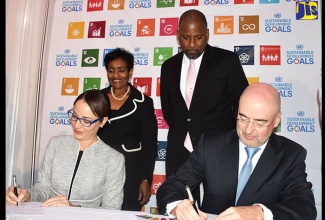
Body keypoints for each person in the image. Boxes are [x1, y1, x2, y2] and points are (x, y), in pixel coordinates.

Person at [156, 83, 317, 220]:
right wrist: (177, 207)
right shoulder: (211, 145)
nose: (248, 130)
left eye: (259, 123)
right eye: (243, 118)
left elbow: (304, 206)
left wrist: (259, 213)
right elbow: (171, 186)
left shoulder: (291, 154)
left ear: (276, 120)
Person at [160, 9, 249, 180]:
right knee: (178, 203)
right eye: (186, 37)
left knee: (215, 206)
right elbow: (169, 110)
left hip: (218, 149)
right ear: (178, 35)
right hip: (178, 150)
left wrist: (225, 136)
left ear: (207, 34)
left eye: (198, 37)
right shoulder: (168, 67)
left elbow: (241, 104)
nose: (192, 44)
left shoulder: (227, 61)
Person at [6, 89, 126, 209]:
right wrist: (27, 195)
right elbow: (43, 188)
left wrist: (73, 208)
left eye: (86, 121)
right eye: (74, 116)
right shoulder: (56, 144)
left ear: (102, 121)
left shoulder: (114, 159)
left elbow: (112, 209)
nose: (76, 125)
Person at [97, 47, 158, 211]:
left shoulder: (144, 102)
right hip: (98, 171)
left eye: (121, 70)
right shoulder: (96, 99)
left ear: (130, 72)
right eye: (111, 70)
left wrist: (145, 179)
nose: (116, 75)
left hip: (130, 173)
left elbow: (149, 144)